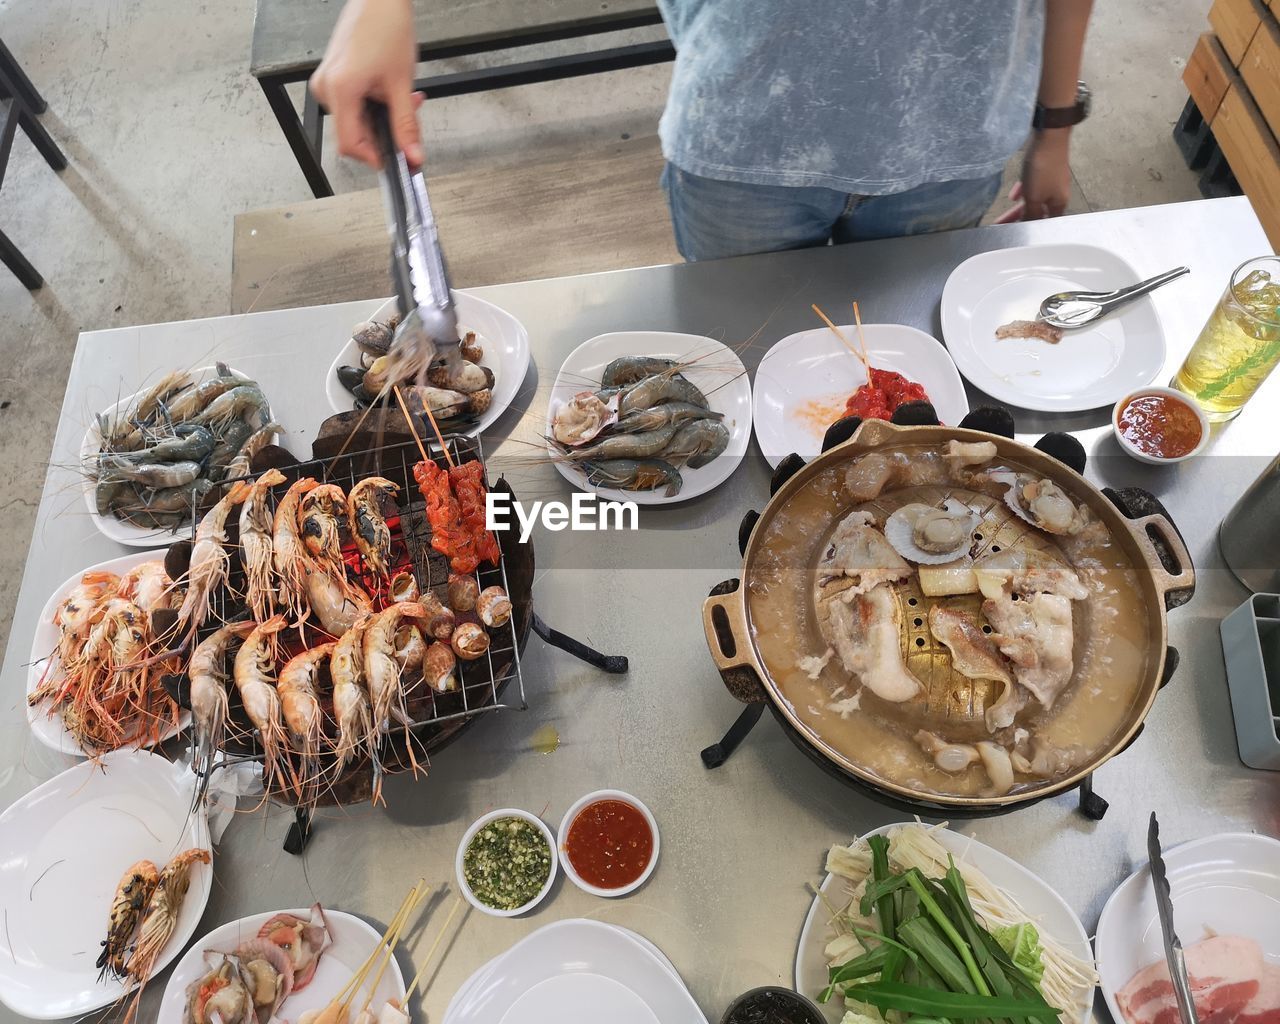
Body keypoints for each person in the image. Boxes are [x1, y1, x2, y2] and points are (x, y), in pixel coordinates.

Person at [311, 0, 1093, 262]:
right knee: (741, 362)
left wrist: (1052, 131)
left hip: (950, 146)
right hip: (742, 144)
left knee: (899, 375)